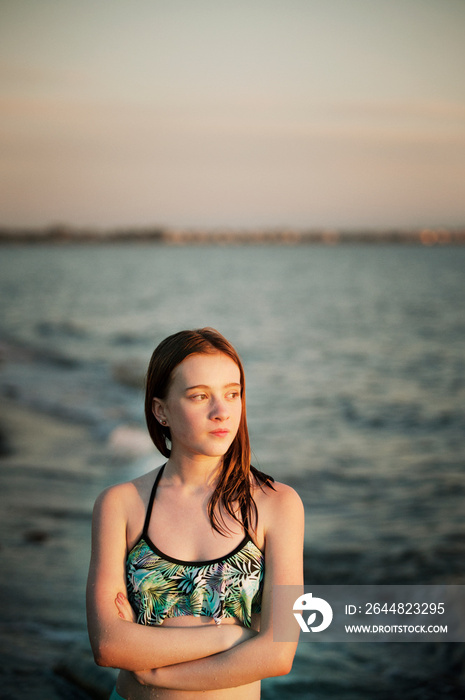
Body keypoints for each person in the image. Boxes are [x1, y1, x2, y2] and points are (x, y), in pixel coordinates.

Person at [86, 328, 304, 699]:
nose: (222, 412)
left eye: (232, 394)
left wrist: (157, 673)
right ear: (161, 411)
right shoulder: (120, 504)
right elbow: (109, 645)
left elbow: (279, 653)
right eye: (200, 396)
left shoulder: (277, 504)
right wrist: (232, 634)